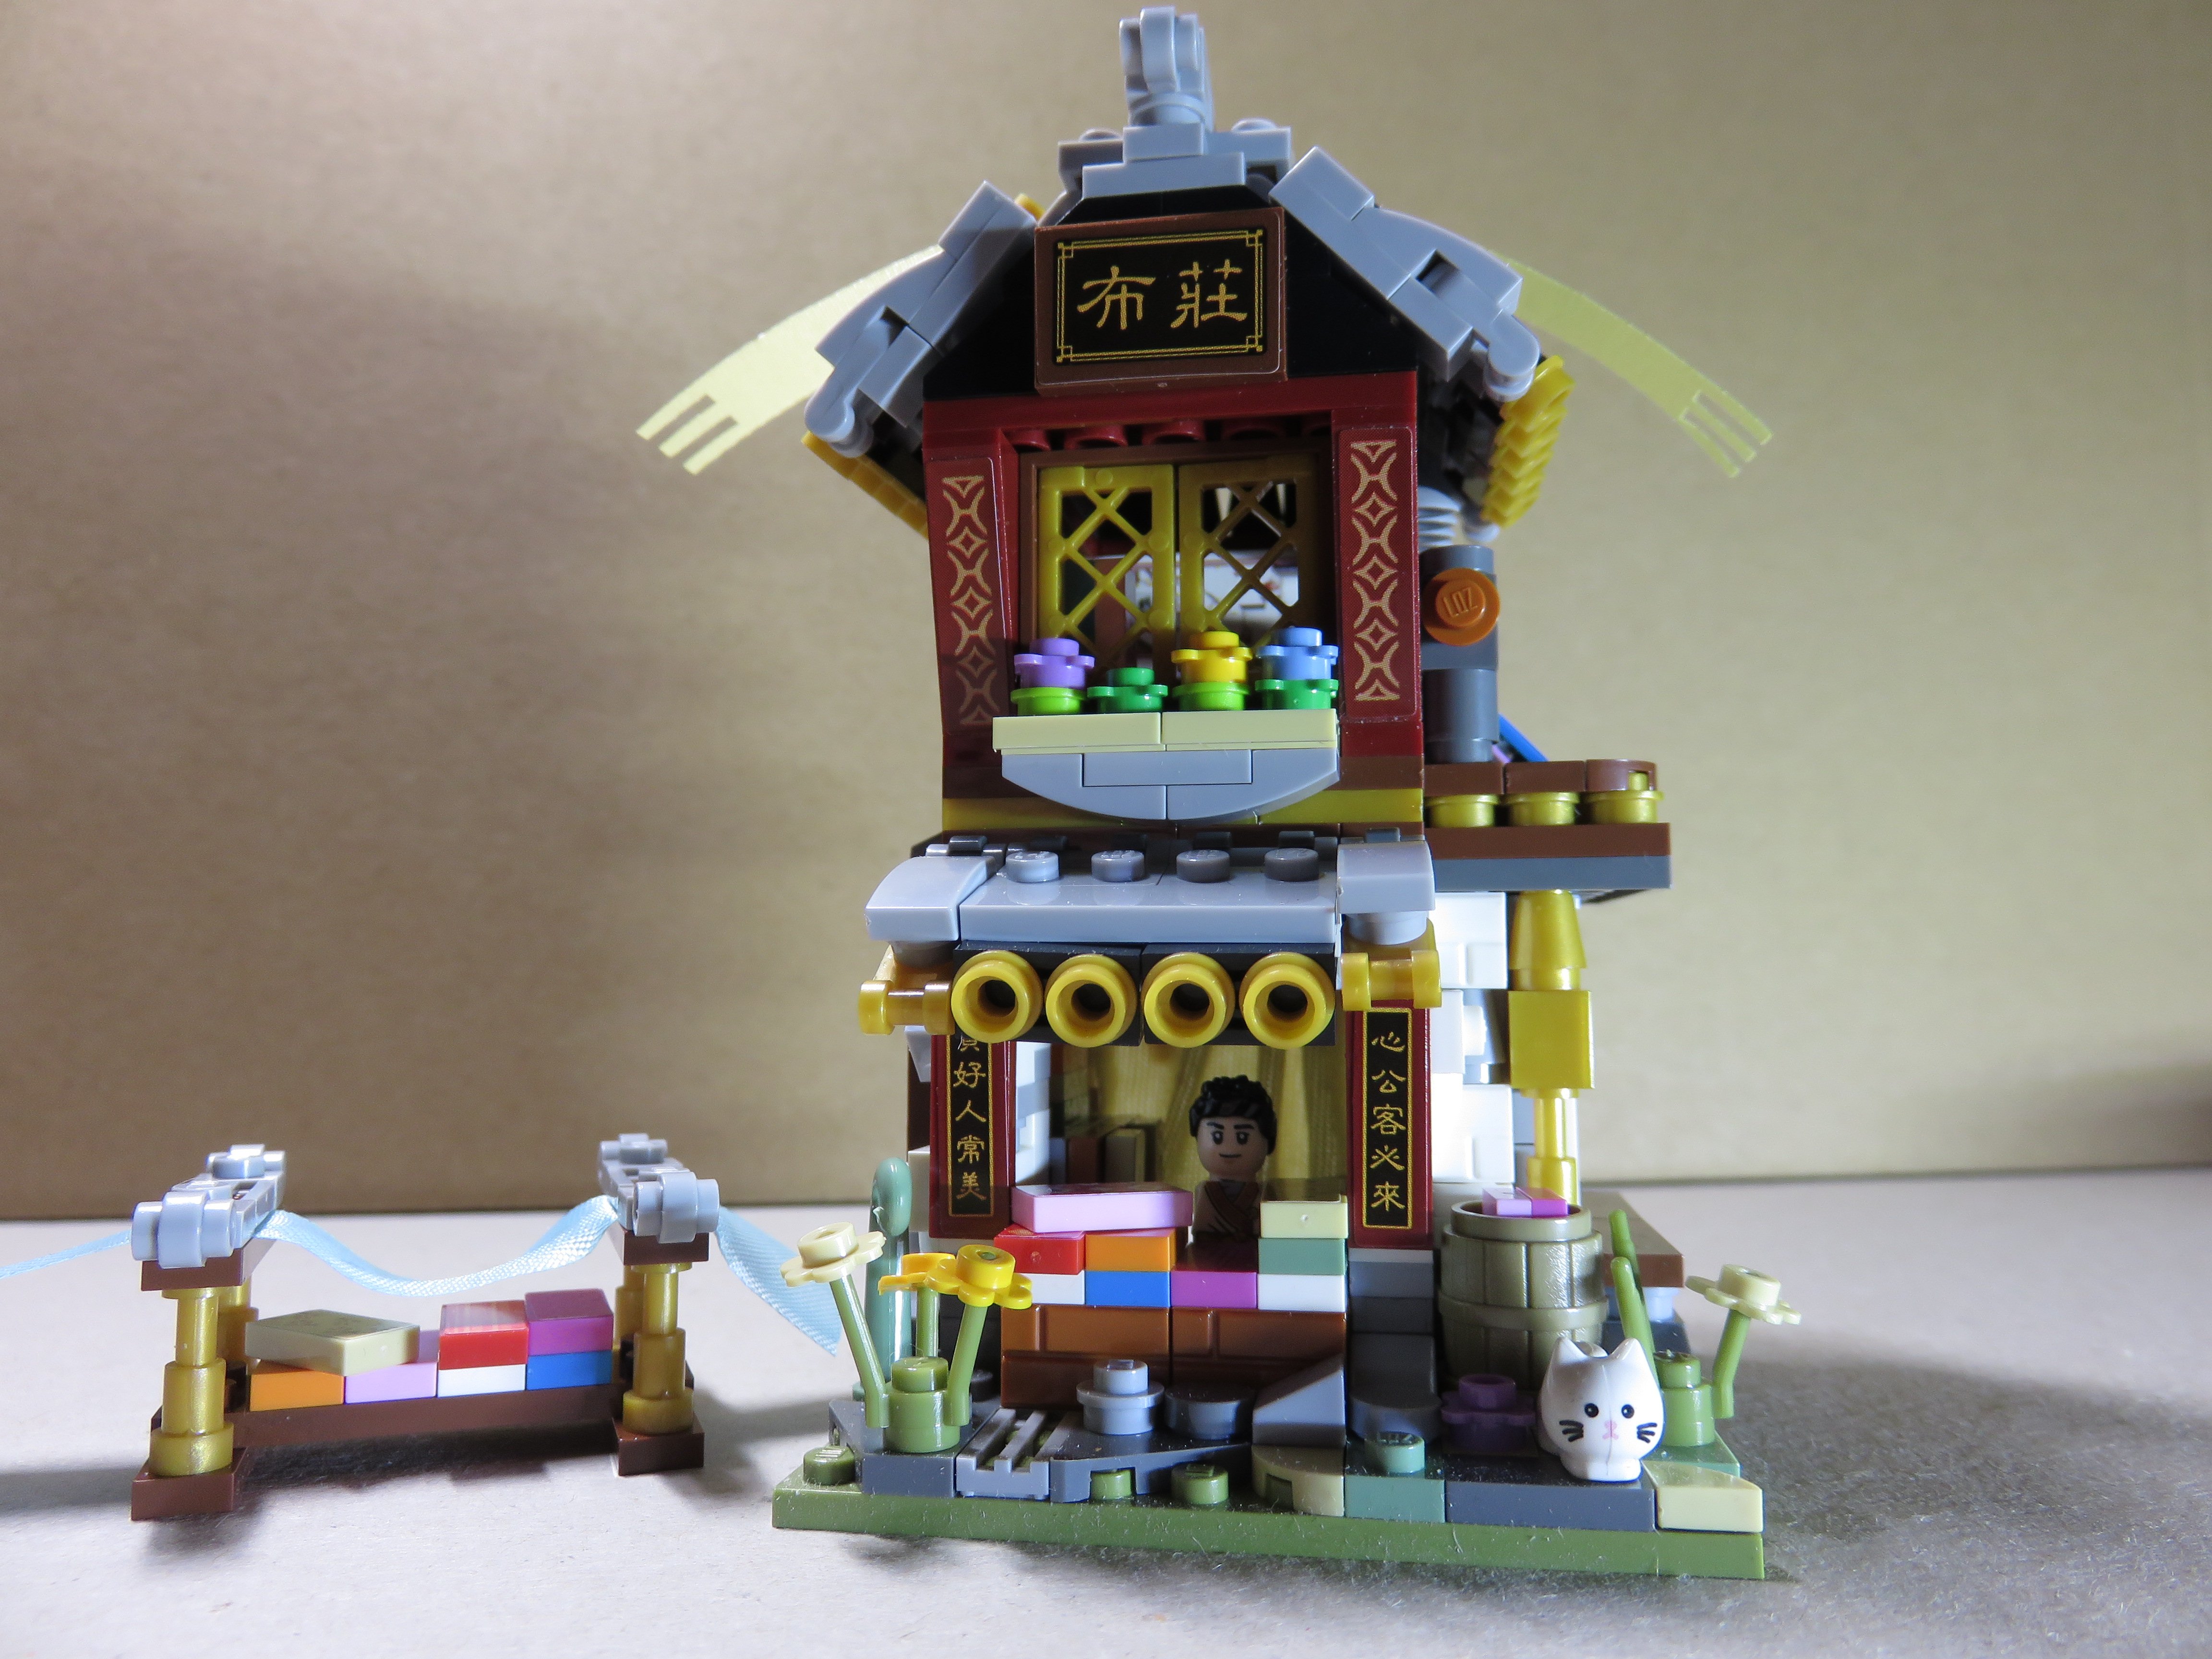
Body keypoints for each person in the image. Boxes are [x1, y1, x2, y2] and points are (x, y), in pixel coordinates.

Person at [1188, 1075, 1276, 1240]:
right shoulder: (1204, 1192)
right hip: (1208, 1252)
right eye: (1217, 1137)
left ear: (1269, 1141)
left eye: (1243, 1137)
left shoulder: (1265, 1195)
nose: (1229, 1148)